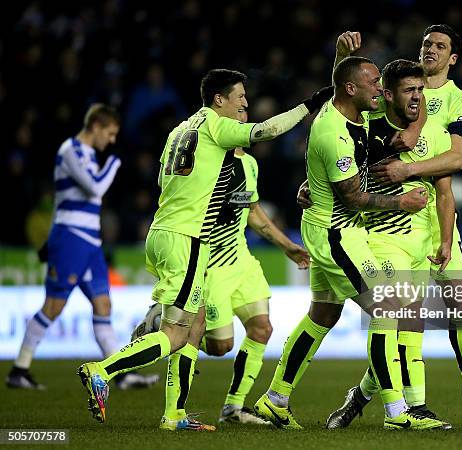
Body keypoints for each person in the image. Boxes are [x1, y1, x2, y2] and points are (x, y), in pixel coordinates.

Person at [76, 69, 334, 431]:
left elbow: (167, 181)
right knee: (176, 334)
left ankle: (174, 414)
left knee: (193, 324)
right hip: (189, 239)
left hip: (163, 230)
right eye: (240, 97)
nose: (245, 103)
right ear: (219, 100)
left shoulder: (180, 130)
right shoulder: (216, 126)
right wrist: (309, 105)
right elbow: (266, 131)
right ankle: (102, 371)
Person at [324, 26, 462, 427]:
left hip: (438, 217)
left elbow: (456, 161)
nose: (431, 50)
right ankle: (407, 404)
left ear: (452, 58)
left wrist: (407, 168)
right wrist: (319, 178)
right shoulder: (393, 93)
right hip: (390, 223)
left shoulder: (458, 102)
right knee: (406, 316)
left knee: (460, 305)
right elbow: (341, 113)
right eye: (426, 43)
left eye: (440, 46)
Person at [253, 56, 447, 431]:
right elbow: (354, 197)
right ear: (352, 89)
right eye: (373, 82)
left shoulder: (355, 118)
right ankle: (396, 415)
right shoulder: (334, 134)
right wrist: (400, 201)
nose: (379, 89)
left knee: (323, 315)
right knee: (388, 308)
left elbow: (344, 87)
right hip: (335, 234)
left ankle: (275, 399)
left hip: (332, 227)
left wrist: (314, 181)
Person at [132, 113, 311, 425]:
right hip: (209, 263)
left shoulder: (250, 165)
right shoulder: (210, 160)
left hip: (240, 259)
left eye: (245, 109)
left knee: (262, 328)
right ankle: (166, 318)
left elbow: (252, 211)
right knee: (220, 346)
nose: (243, 114)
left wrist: (287, 246)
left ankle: (233, 408)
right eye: (237, 109)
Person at [6, 104, 158, 391]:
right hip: (71, 238)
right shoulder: (70, 151)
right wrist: (115, 162)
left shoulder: (86, 154)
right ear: (96, 127)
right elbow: (96, 188)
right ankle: (19, 370)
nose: (111, 140)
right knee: (54, 306)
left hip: (89, 242)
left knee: (103, 305)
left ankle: (120, 373)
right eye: (110, 134)